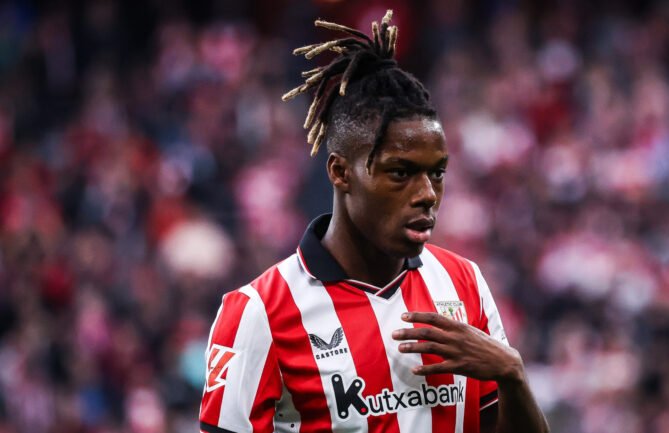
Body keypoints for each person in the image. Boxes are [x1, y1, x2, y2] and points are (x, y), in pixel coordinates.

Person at [199, 10, 548, 433]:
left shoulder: (464, 284)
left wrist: (511, 374)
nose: (428, 194)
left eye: (437, 172)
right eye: (400, 173)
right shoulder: (259, 312)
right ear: (341, 172)